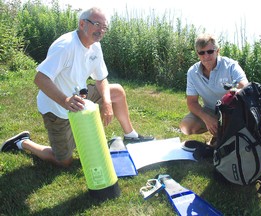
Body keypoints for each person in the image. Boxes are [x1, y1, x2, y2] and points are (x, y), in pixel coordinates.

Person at [0, 7, 153, 167]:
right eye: (97, 24)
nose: (101, 30)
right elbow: (40, 78)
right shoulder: (65, 46)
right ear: (82, 24)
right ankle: (23, 142)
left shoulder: (95, 46)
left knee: (116, 92)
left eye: (104, 27)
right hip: (56, 108)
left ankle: (131, 135)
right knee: (64, 162)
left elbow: (101, 79)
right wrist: (65, 101)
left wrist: (107, 102)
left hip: (79, 98)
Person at [180, 33, 248, 151]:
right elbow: (192, 103)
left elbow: (245, 88)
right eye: (202, 52)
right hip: (210, 110)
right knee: (186, 126)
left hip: (231, 111)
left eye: (210, 51)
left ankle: (222, 137)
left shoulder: (231, 66)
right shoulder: (192, 72)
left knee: (231, 143)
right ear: (198, 54)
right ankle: (218, 135)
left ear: (217, 51)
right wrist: (207, 118)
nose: (206, 56)